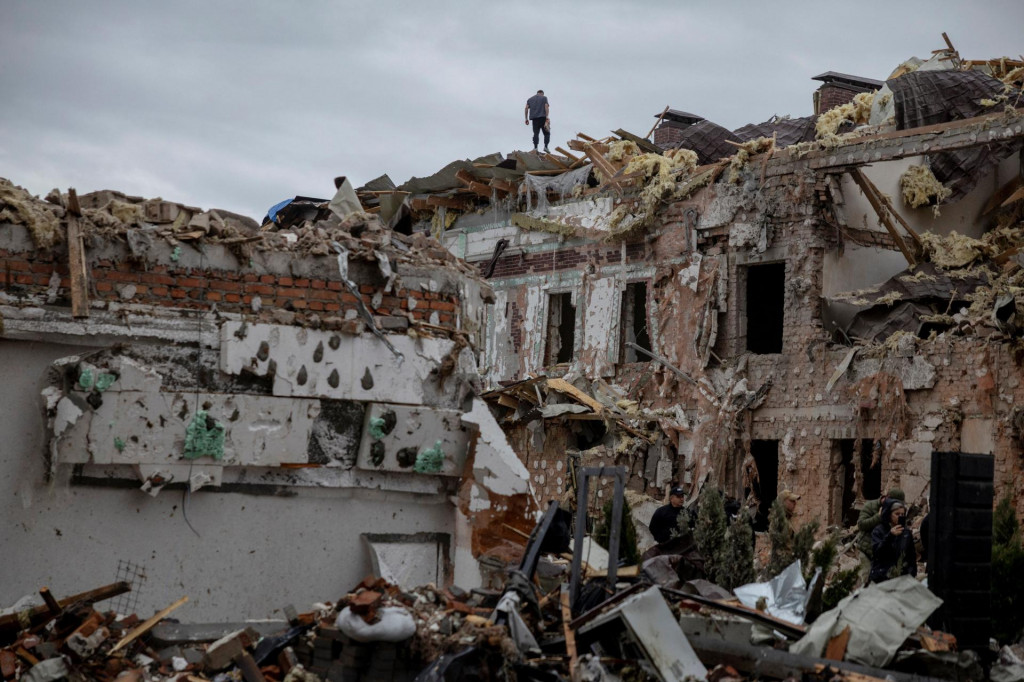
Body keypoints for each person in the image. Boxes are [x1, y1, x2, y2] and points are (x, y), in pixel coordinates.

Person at [855, 488, 905, 580]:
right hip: (866, 549)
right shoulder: (870, 505)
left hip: (881, 552)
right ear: (886, 498)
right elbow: (861, 525)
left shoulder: (896, 512)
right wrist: (878, 517)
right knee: (867, 578)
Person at [869, 498, 917, 583]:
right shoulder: (879, 531)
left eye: (902, 514)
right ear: (889, 514)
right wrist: (890, 536)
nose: (900, 516)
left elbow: (911, 557)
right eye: (897, 514)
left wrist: (911, 574)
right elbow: (878, 553)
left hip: (901, 578)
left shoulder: (906, 532)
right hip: (882, 576)